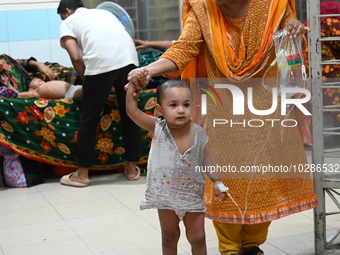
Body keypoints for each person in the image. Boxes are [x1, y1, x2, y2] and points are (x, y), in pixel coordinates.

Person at [127, 0, 318, 254]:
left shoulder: (274, 5)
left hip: (267, 114)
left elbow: (290, 50)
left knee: (264, 180)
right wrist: (148, 70)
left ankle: (252, 244)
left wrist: (295, 29)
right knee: (226, 181)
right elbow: (183, 49)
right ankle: (229, 248)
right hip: (223, 114)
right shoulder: (203, 8)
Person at [126, 78, 228, 255]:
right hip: (165, 197)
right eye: (173, 105)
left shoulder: (198, 132)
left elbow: (206, 158)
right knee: (169, 237)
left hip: (191, 196)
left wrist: (218, 182)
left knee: (198, 238)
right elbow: (132, 111)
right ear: (160, 109)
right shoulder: (157, 127)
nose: (181, 110)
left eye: (186, 104)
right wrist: (132, 88)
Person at [57, 0, 140, 187]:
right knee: (131, 114)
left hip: (101, 64)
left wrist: (89, 83)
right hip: (130, 60)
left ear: (67, 11)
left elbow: (75, 56)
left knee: (89, 118)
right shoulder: (105, 13)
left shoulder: (67, 22)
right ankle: (132, 169)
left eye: (63, 15)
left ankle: (82, 174)